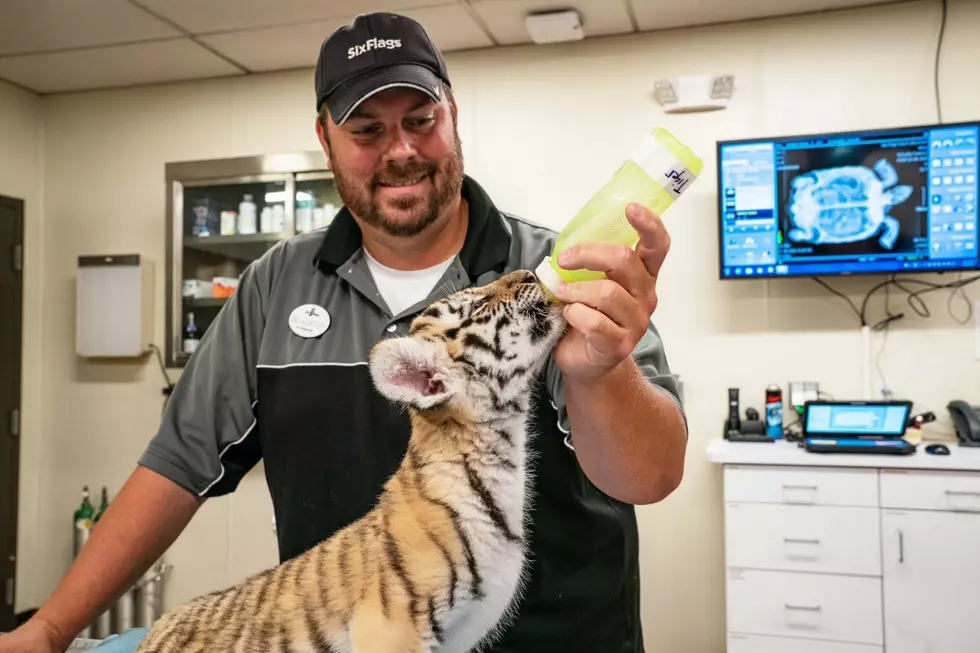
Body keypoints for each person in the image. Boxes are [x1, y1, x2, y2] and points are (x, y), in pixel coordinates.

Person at [0, 11, 687, 653]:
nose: (402, 150)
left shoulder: (550, 272)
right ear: (326, 137)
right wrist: (51, 628)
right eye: (367, 130)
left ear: (453, 116)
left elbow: (651, 476)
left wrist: (606, 371)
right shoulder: (276, 284)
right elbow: (178, 465)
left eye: (422, 119)